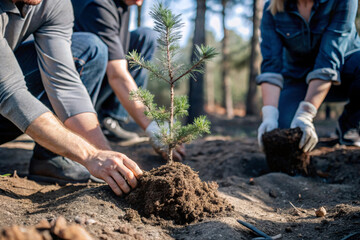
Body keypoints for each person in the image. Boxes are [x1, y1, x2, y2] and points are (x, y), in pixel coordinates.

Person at [0, 0, 143, 196]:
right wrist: (90, 155)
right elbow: (9, 92)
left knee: (90, 48)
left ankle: (51, 160)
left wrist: (104, 154)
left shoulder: (53, 3)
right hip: (6, 96)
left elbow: (64, 84)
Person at [71, 0, 186, 161]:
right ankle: (72, 136)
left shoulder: (123, 5)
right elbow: (117, 74)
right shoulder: (97, 5)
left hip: (98, 79)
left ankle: (110, 121)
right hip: (71, 87)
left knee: (146, 37)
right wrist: (153, 126)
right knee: (95, 47)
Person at [257, 0, 360, 152]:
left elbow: (328, 60)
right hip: (298, 79)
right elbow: (271, 66)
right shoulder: (271, 9)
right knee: (283, 135)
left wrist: (306, 113)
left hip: (344, 75)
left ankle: (350, 125)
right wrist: (270, 114)